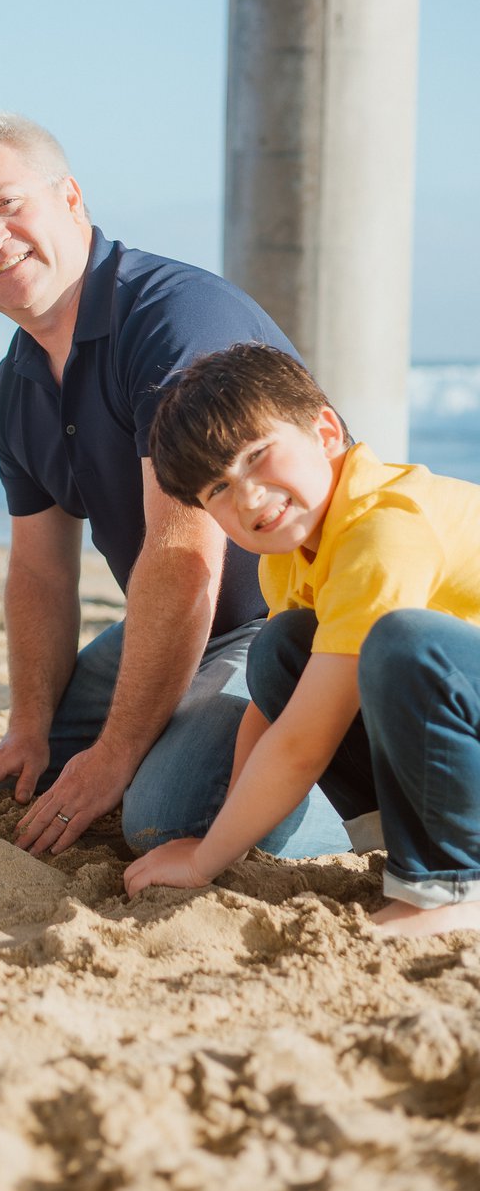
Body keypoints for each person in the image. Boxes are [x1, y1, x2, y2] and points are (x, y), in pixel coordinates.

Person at [0, 113, 347, 859]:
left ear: (72, 199)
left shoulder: (170, 321)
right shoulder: (12, 388)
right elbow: (40, 573)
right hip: (193, 619)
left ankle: (405, 790)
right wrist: (26, 725)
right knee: (46, 749)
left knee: (165, 817)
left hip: (296, 616)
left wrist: (117, 757)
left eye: (9, 204)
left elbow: (185, 558)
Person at [124, 343, 480, 940]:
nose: (250, 498)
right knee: (284, 649)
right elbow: (272, 713)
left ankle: (455, 885)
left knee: (404, 642)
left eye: (258, 456)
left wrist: (200, 861)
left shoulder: (384, 527)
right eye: (218, 489)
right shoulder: (290, 557)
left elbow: (304, 741)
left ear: (324, 431)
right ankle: (408, 850)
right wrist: (221, 846)